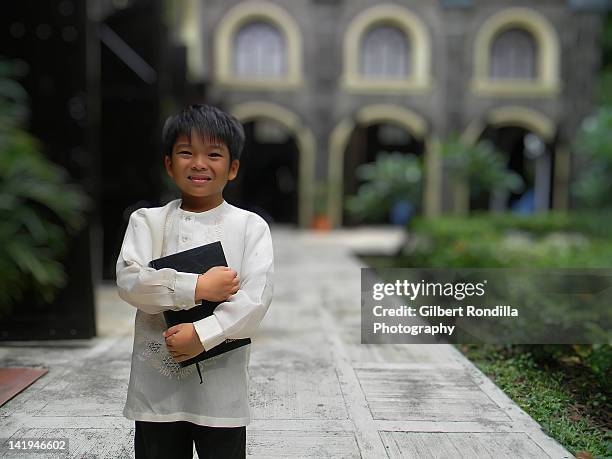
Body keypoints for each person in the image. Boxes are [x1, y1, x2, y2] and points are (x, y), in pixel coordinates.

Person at [115, 104, 274, 458]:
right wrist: (197, 288)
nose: (199, 163)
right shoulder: (148, 222)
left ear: (232, 167)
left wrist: (201, 335)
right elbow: (130, 282)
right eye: (186, 152)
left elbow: (255, 301)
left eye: (213, 154)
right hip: (157, 384)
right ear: (169, 164)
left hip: (222, 386)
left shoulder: (250, 227)